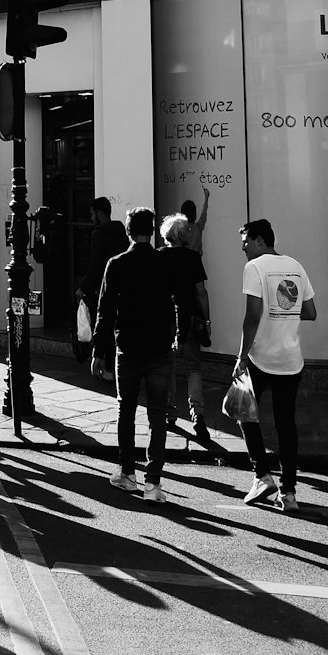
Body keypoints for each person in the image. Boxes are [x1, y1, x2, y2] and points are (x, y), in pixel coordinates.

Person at [91, 207, 181, 504]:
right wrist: (173, 333)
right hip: (158, 348)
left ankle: (127, 474)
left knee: (126, 411)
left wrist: (98, 352)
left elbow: (105, 312)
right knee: (157, 415)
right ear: (152, 231)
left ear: (128, 231)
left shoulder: (116, 264)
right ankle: (153, 482)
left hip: (127, 347)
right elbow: (176, 302)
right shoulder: (165, 263)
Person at [233, 219, 316, 511]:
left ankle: (262, 476)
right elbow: (310, 311)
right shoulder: (295, 265)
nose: (243, 248)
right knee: (286, 424)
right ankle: (289, 493)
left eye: (245, 241)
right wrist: (284, 313)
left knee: (245, 413)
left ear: (259, 240)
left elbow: (252, 317)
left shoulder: (254, 268)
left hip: (260, 358)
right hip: (291, 360)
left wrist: (241, 356)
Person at [159, 211, 215, 453]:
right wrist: (207, 318)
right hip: (190, 318)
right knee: (193, 367)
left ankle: (171, 414)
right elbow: (201, 291)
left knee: (168, 366)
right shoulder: (192, 257)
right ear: (184, 235)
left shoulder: (159, 257)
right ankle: (197, 414)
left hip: (166, 320)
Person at [76, 197, 128, 329]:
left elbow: (96, 266)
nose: (92, 218)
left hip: (102, 290)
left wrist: (83, 288)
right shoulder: (121, 233)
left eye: (92, 214)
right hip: (121, 289)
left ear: (99, 213)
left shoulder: (99, 234)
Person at [181, 185, 211, 256]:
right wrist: (206, 198)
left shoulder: (180, 231)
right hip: (197, 262)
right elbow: (204, 213)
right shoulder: (198, 228)